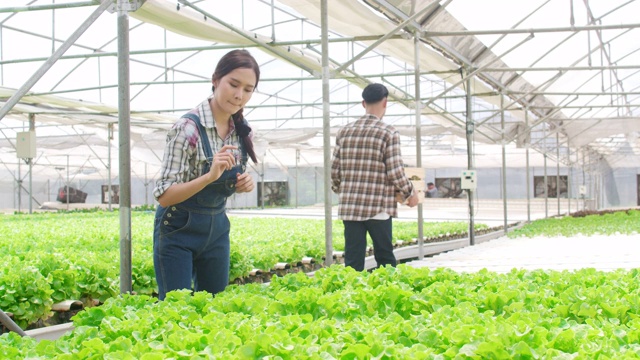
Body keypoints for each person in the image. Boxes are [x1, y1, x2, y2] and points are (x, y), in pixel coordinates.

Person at [152, 49, 259, 300]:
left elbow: (226, 181)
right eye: (233, 84)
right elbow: (165, 195)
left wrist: (242, 183)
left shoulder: (242, 132)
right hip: (179, 229)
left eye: (247, 89)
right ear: (215, 80)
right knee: (176, 312)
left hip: (217, 230)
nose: (238, 95)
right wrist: (209, 177)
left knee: (214, 309)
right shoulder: (187, 129)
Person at [331, 83, 419, 272]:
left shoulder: (344, 132)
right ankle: (386, 296)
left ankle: (350, 298)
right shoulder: (388, 132)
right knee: (385, 258)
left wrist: (345, 191)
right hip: (378, 206)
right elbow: (395, 171)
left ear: (363, 103)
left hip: (350, 206)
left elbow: (335, 171)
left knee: (353, 260)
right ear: (385, 103)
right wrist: (411, 192)